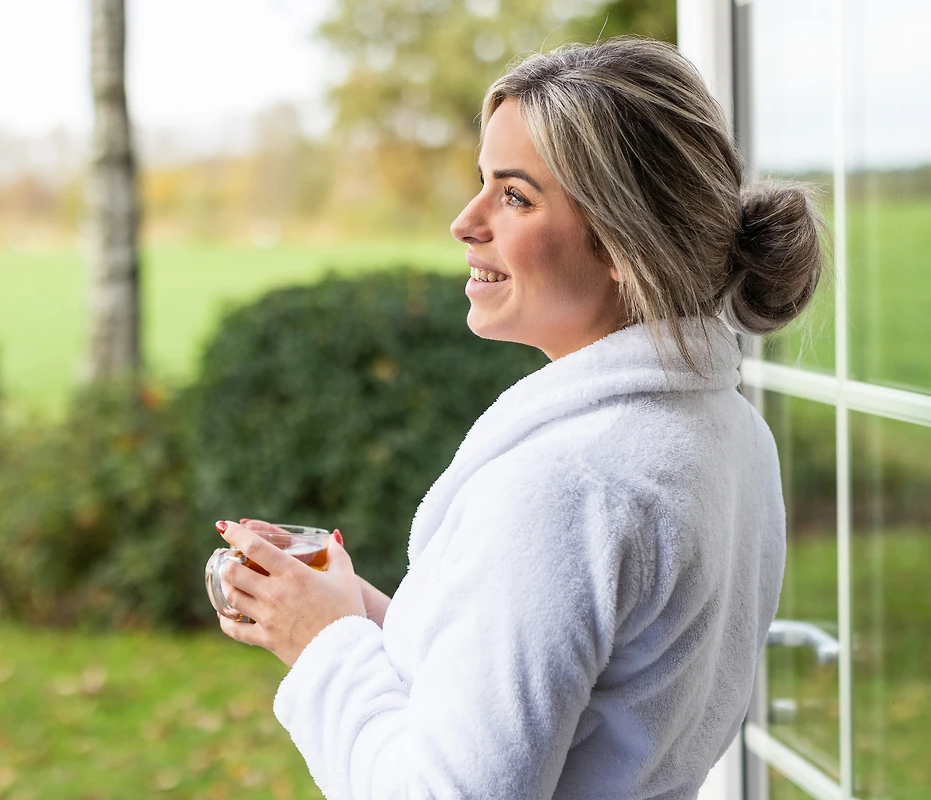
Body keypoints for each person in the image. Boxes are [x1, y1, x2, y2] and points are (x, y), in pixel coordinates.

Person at [213, 37, 825, 799]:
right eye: (483, 183)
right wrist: (346, 606)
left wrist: (322, 642)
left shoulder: (569, 487)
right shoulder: (727, 433)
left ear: (624, 242)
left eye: (515, 196)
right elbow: (554, 687)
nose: (464, 222)